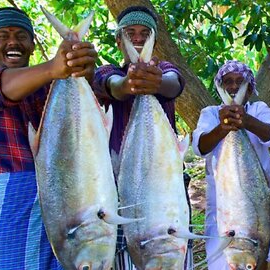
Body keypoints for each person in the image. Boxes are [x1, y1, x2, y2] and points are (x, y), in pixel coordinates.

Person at [0, 7, 97, 270]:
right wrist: (54, 67)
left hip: (66, 187)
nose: (13, 42)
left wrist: (83, 68)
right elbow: (5, 88)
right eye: (4, 35)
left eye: (21, 36)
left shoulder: (50, 85)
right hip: (15, 190)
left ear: (33, 45)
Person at [92, 6, 186, 270]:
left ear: (154, 39)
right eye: (129, 33)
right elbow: (111, 86)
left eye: (145, 33)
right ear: (117, 40)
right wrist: (128, 84)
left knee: (170, 238)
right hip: (123, 188)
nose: (137, 39)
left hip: (166, 184)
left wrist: (154, 83)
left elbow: (173, 83)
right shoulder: (107, 71)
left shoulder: (165, 69)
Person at [192, 60, 270, 270]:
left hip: (256, 206)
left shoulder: (259, 109)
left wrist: (247, 121)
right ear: (220, 87)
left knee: (256, 256)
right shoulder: (210, 113)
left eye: (239, 82)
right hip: (221, 206)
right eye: (228, 82)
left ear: (250, 88)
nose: (233, 87)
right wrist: (223, 127)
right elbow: (200, 146)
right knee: (221, 262)